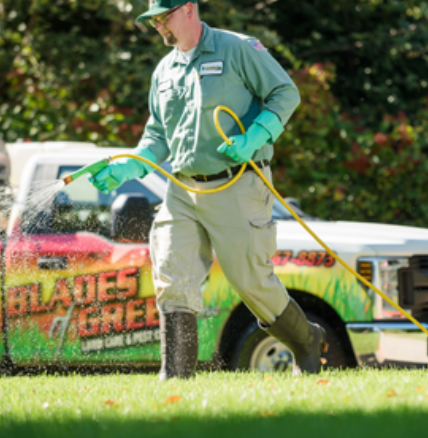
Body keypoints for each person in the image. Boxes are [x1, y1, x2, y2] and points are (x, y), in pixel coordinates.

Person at [89, 0, 326, 379]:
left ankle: (306, 340)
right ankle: (176, 379)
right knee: (171, 273)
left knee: (250, 281)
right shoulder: (164, 70)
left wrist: (257, 135)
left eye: (162, 17)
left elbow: (285, 93)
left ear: (188, 9)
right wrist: (129, 165)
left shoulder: (238, 49)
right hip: (181, 190)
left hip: (237, 184)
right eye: (152, 20)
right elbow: (157, 137)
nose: (157, 26)